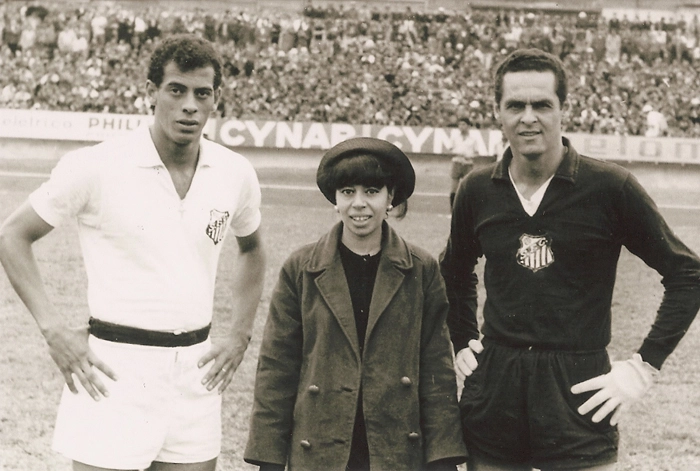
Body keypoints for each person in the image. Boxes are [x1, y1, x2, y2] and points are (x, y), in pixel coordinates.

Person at [0, 34, 266, 471]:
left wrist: (240, 334)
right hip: (113, 372)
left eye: (202, 94)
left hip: (195, 375)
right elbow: (12, 236)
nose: (189, 106)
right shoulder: (97, 165)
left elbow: (252, 248)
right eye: (176, 90)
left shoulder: (234, 172)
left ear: (216, 99)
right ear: (150, 93)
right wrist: (53, 331)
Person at [440, 48, 700, 471]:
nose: (528, 117)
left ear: (564, 109)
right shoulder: (476, 189)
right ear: (497, 113)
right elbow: (453, 270)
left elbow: (688, 274)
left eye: (542, 104)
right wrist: (462, 338)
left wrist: (642, 367)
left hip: (577, 385)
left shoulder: (610, 187)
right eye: (515, 105)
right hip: (495, 386)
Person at [244, 137, 467, 471]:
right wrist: (269, 460)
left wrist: (442, 459)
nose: (359, 204)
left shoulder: (421, 268)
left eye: (372, 191)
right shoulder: (301, 268)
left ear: (391, 197)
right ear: (335, 199)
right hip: (320, 446)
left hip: (394, 449)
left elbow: (437, 370)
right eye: (348, 192)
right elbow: (277, 368)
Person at [449, 118, 479, 208]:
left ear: (468, 126)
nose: (461, 127)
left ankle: (467, 208)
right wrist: (458, 153)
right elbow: (450, 150)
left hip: (468, 163)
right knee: (454, 186)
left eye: (463, 124)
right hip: (457, 162)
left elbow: (476, 153)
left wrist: (469, 156)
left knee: (468, 186)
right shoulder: (455, 138)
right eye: (460, 125)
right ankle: (453, 208)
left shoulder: (473, 139)